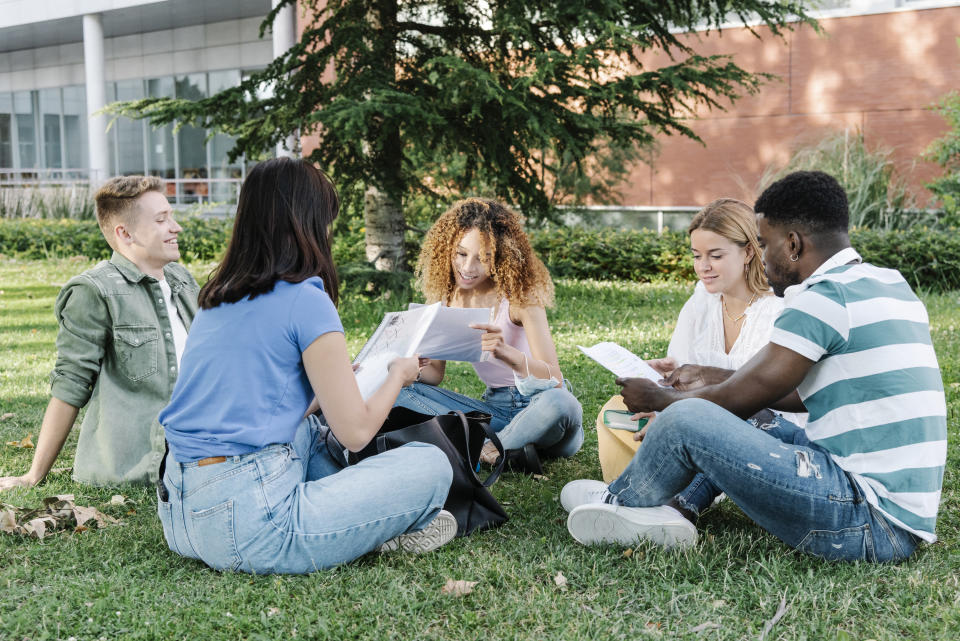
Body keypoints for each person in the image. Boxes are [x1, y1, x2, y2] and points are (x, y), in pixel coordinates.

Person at [562, 171, 946, 562]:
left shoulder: (821, 299)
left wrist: (660, 398)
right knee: (752, 414)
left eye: (764, 244)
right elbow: (794, 394)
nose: (761, 258)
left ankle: (619, 501)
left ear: (793, 244)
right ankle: (673, 508)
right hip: (894, 514)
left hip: (866, 521)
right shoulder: (889, 283)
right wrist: (712, 377)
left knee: (689, 417)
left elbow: (733, 401)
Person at [156, 158, 456, 574]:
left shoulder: (217, 297)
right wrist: (397, 377)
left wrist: (329, 389)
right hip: (250, 525)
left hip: (180, 511)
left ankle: (365, 516)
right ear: (309, 224)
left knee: (308, 428)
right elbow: (355, 434)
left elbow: (251, 404)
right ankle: (382, 520)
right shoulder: (306, 299)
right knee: (430, 464)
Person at [0, 176, 197, 490]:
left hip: (199, 454)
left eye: (171, 216)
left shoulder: (181, 279)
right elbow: (71, 384)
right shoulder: (95, 291)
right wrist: (32, 475)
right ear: (124, 233)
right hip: (136, 470)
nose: (176, 227)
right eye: (162, 220)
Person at [596, 198, 805, 485]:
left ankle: (648, 489)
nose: (703, 266)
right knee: (614, 409)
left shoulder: (779, 308)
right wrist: (663, 379)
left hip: (764, 430)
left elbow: (771, 398)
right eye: (697, 256)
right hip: (696, 414)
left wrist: (678, 415)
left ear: (747, 252)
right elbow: (679, 371)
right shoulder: (701, 300)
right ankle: (636, 483)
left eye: (716, 256)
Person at [394, 198, 583, 474]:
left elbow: (554, 380)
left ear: (501, 256)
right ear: (447, 249)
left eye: (482, 258)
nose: (468, 267)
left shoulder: (520, 297)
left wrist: (510, 355)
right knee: (397, 387)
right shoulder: (446, 298)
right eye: (460, 254)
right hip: (497, 412)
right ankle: (508, 451)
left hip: (545, 414)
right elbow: (434, 375)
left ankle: (484, 452)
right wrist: (412, 366)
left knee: (562, 402)